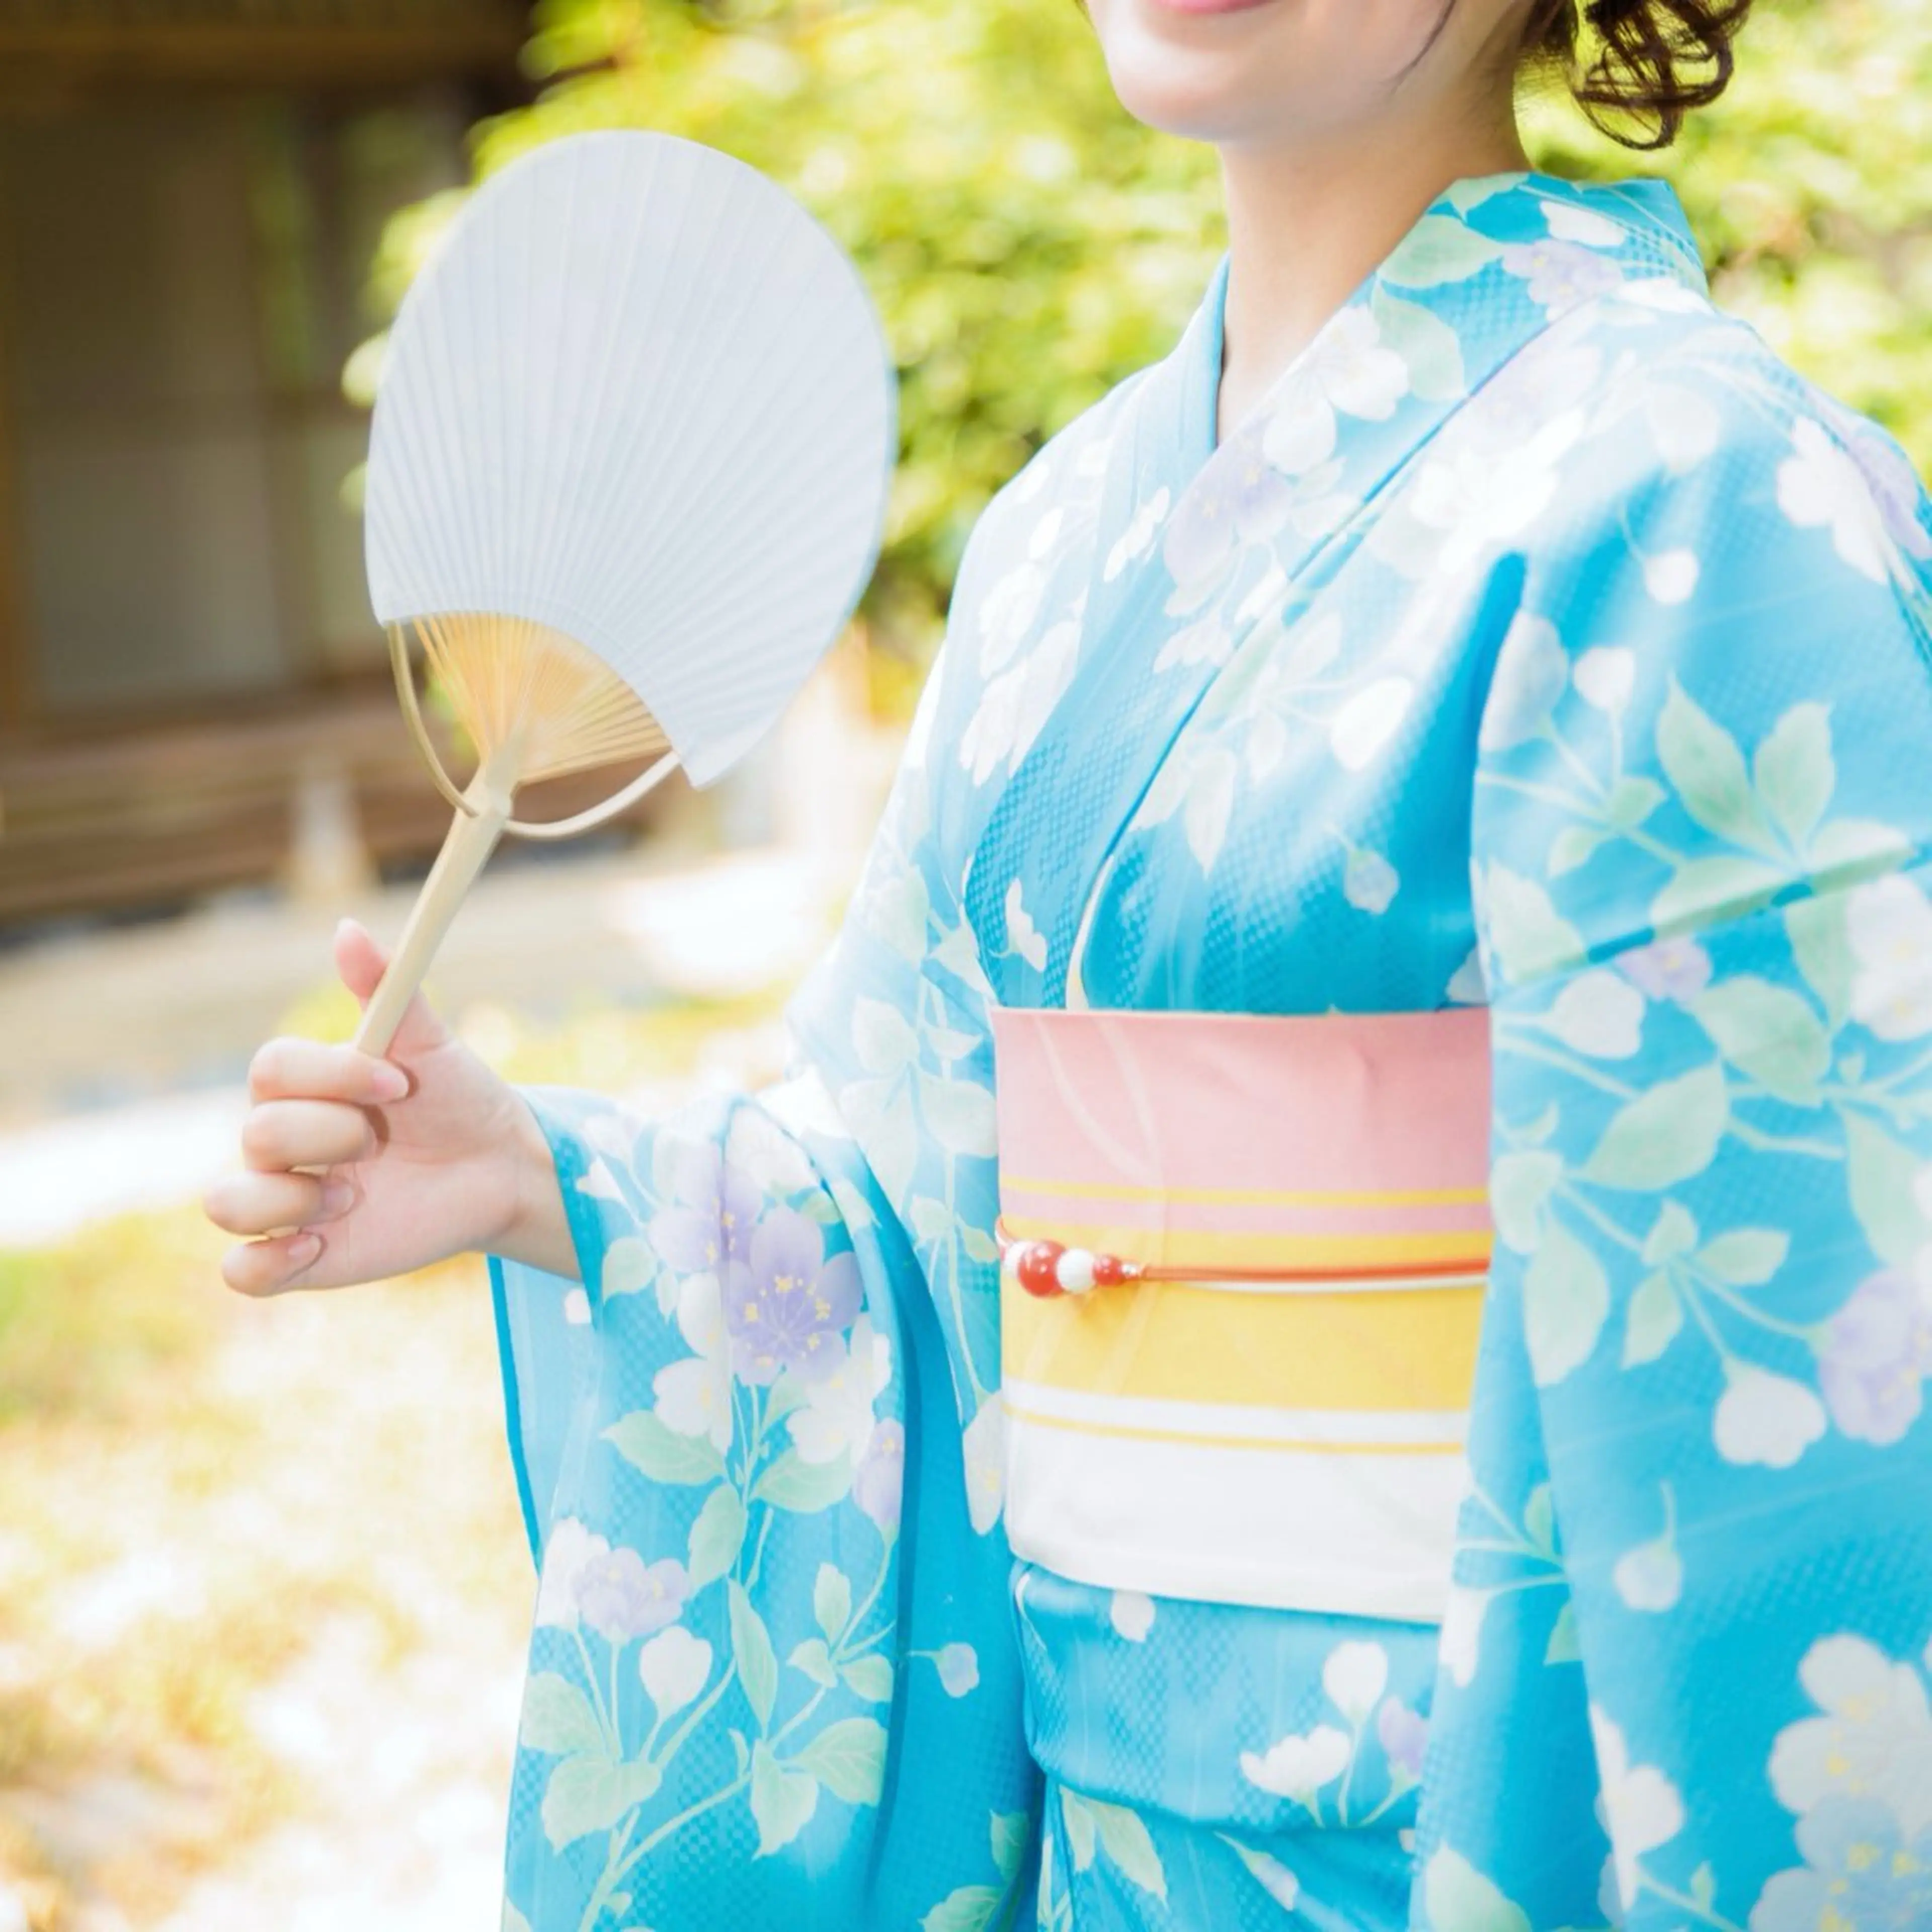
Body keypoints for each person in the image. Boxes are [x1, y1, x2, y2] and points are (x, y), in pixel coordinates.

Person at [205, 0, 1932, 1924]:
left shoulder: (1706, 497)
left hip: (1476, 1851)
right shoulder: (1054, 542)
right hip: (1101, 1858)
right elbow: (928, 1211)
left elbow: (1795, 1427)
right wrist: (546, 1176)